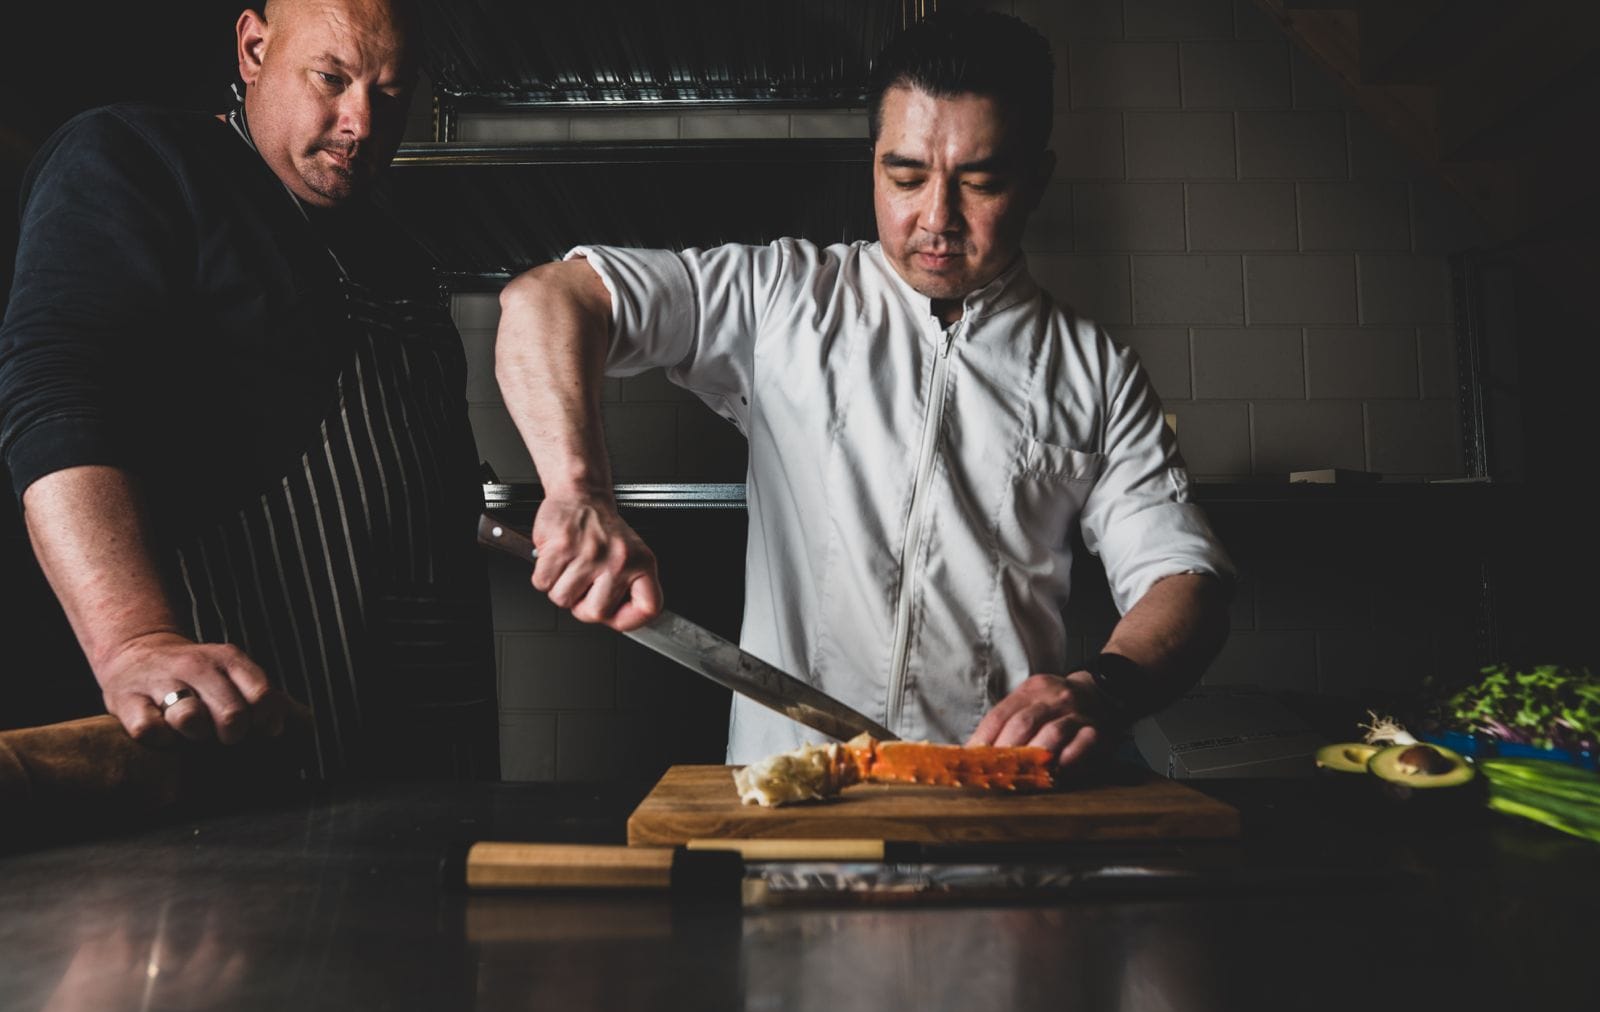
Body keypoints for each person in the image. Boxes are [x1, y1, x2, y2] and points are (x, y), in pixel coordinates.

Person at [494, 10, 1235, 769]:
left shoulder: (1094, 370)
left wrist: (1101, 688)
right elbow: (550, 300)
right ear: (873, 162)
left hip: (986, 806)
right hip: (793, 798)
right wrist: (578, 489)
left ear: (1036, 180)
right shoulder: (778, 298)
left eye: (980, 181)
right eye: (906, 175)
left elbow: (1186, 576)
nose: (936, 218)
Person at [0, 0, 497, 779]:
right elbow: (56, 400)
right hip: (246, 741)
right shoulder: (138, 162)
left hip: (423, 752)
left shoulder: (395, 252)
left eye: (392, 93)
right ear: (255, 49)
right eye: (331, 78)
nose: (361, 123)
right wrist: (137, 641)